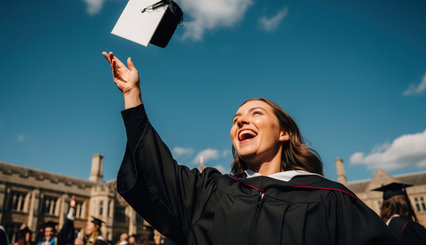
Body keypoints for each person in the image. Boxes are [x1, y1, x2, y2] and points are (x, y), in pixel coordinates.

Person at [103, 51, 401, 244]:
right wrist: (132, 95)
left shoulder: (330, 200)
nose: (241, 121)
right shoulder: (211, 192)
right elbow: (156, 171)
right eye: (236, 119)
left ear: (284, 132)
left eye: (256, 113)